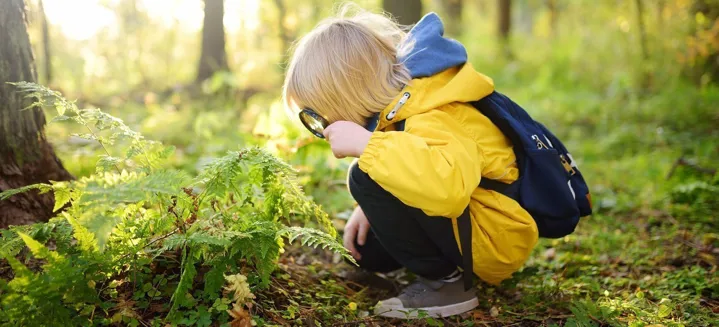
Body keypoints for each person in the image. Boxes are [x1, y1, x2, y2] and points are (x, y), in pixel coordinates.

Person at [282, 5, 538, 319]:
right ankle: (432, 268)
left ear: (347, 96)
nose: (322, 128)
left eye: (319, 116)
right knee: (368, 251)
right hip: (473, 223)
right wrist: (370, 206)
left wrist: (368, 147)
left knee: (362, 176)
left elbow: (448, 188)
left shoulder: (432, 111)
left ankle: (446, 285)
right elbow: (414, 161)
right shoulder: (399, 107)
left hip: (494, 235)